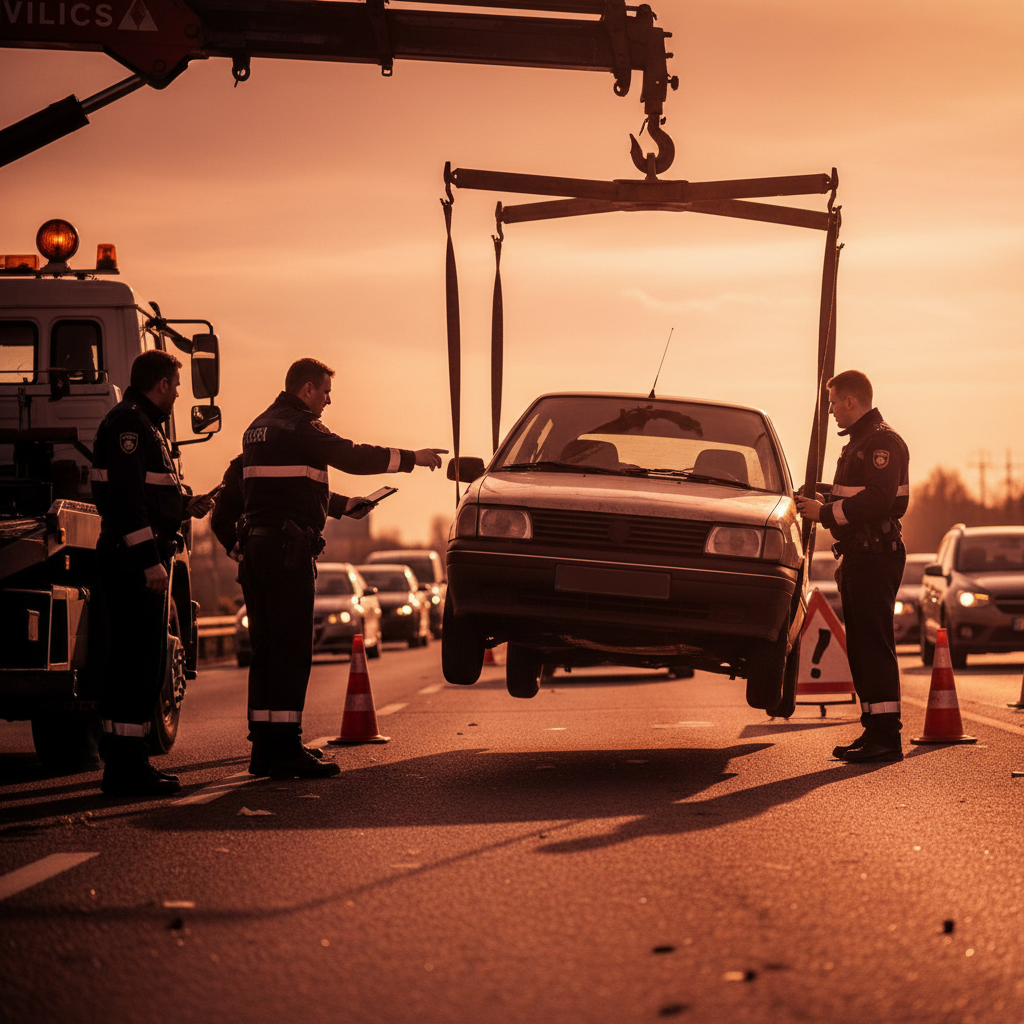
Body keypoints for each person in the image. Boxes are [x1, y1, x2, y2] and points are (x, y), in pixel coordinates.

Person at [239, 357, 446, 778]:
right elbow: (349, 455)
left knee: (266, 650)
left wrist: (341, 506)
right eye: (325, 392)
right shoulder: (299, 425)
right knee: (291, 651)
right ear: (307, 390)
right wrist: (412, 457)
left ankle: (265, 748)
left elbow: (283, 491)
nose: (328, 401)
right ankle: (286, 748)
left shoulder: (258, 427)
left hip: (258, 548)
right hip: (286, 553)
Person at [91, 350, 218, 796]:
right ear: (161, 384)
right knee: (136, 663)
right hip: (134, 562)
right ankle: (126, 769)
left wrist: (185, 506)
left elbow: (149, 495)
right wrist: (149, 561)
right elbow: (128, 502)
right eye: (176, 385)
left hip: (138, 557)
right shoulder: (130, 424)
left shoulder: (142, 425)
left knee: (138, 662)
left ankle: (127, 763)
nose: (180, 394)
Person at [795, 370, 909, 763]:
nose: (829, 412)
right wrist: (816, 493)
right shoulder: (860, 442)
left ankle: (886, 736)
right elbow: (853, 492)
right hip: (860, 555)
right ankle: (873, 728)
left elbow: (878, 499)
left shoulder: (881, 443)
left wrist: (823, 512)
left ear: (850, 401)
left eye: (833, 403)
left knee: (873, 645)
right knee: (860, 646)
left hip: (876, 555)